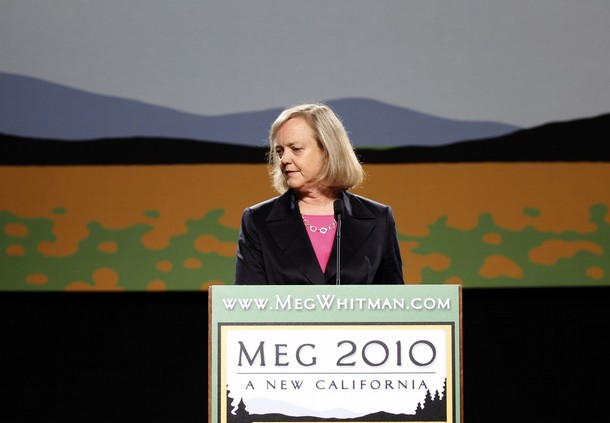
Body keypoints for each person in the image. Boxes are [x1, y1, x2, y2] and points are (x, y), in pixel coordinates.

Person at [234, 103, 404, 285]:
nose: (284, 159)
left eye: (296, 148)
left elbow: (394, 302)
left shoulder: (379, 218)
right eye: (280, 151)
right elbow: (247, 304)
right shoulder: (258, 220)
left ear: (328, 151)